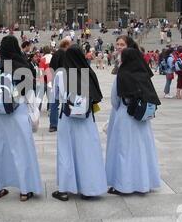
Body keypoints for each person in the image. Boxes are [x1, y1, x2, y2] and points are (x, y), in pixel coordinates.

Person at [0, 35, 43, 202]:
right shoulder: (23, 66)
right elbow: (30, 94)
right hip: (17, 112)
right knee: (21, 150)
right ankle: (25, 191)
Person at [52, 46, 107, 201]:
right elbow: (96, 96)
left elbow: (55, 96)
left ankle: (64, 190)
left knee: (66, 152)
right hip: (86, 119)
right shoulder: (88, 73)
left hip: (67, 119)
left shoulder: (61, 74)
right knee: (87, 152)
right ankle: (88, 189)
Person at [106, 45, 161, 195]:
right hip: (142, 117)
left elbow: (114, 99)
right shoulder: (143, 73)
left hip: (126, 115)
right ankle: (145, 182)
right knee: (143, 150)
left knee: (125, 150)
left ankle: (124, 185)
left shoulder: (122, 75)